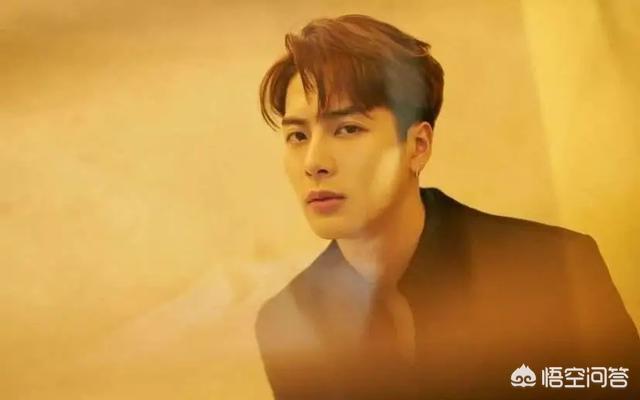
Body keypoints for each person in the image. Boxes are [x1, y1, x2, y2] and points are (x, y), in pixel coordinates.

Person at [254, 14, 640, 399]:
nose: (314, 162)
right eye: (297, 136)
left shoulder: (553, 269)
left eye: (348, 129)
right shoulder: (286, 323)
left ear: (417, 146)